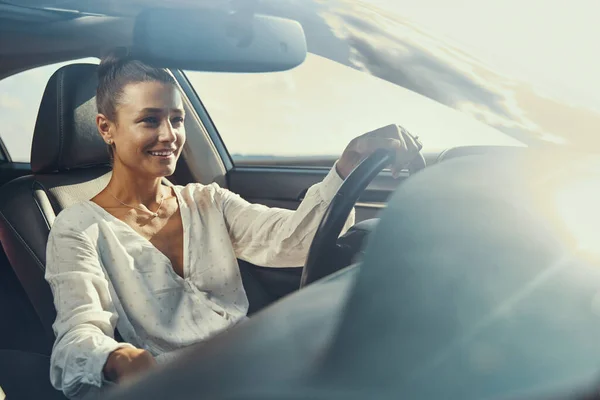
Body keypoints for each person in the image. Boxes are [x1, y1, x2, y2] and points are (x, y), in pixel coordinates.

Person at [44, 49, 422, 399]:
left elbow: (295, 240)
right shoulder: (78, 228)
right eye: (149, 120)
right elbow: (77, 336)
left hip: (257, 365)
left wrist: (349, 162)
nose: (168, 135)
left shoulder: (207, 201)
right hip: (182, 388)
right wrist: (121, 358)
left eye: (176, 120)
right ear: (106, 128)